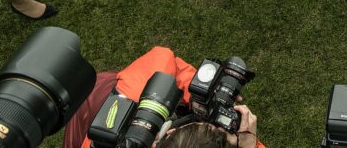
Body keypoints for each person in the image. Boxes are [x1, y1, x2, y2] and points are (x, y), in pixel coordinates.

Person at [62, 46, 267, 148]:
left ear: (167, 133)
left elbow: (162, 57)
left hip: (94, 112)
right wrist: (250, 144)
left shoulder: (119, 122)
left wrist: (193, 94)